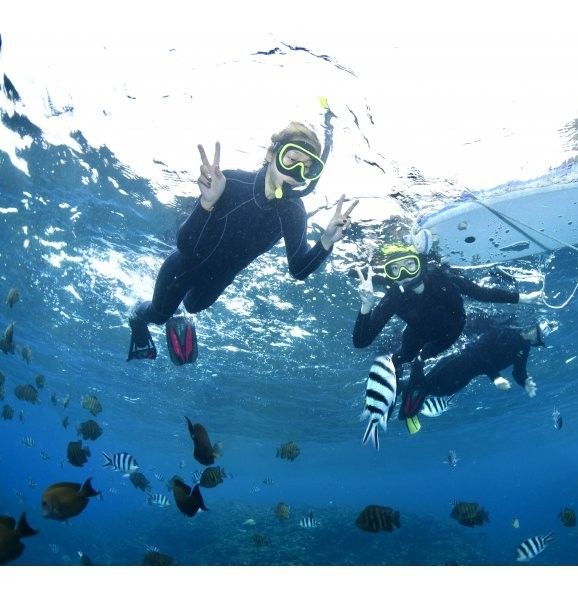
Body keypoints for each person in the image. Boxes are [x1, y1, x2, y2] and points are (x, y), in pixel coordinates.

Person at [128, 118, 357, 364]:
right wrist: (207, 203)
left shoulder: (293, 211)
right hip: (182, 268)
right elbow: (185, 246)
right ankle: (136, 316)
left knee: (193, 306)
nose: (296, 173)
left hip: (220, 279)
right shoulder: (231, 183)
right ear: (272, 154)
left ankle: (181, 313)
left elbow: (298, 269)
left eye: (307, 168)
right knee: (160, 314)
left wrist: (325, 241)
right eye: (291, 160)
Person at [353, 242, 543, 428]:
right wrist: (366, 306)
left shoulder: (442, 277)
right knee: (398, 360)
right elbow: (361, 341)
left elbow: (481, 293)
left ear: (421, 263)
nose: (403, 274)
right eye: (395, 269)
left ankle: (414, 395)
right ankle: (387, 401)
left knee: (420, 360)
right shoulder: (394, 296)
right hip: (417, 333)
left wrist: (522, 298)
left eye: (410, 265)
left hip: (449, 333)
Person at [416, 321, 546, 405]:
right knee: (426, 384)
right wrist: (495, 377)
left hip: (470, 374)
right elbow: (477, 352)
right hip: (459, 361)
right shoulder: (505, 330)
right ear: (533, 326)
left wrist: (524, 382)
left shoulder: (524, 347)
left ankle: (412, 397)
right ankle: (406, 387)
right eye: (541, 332)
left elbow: (519, 371)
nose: (541, 336)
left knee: (441, 391)